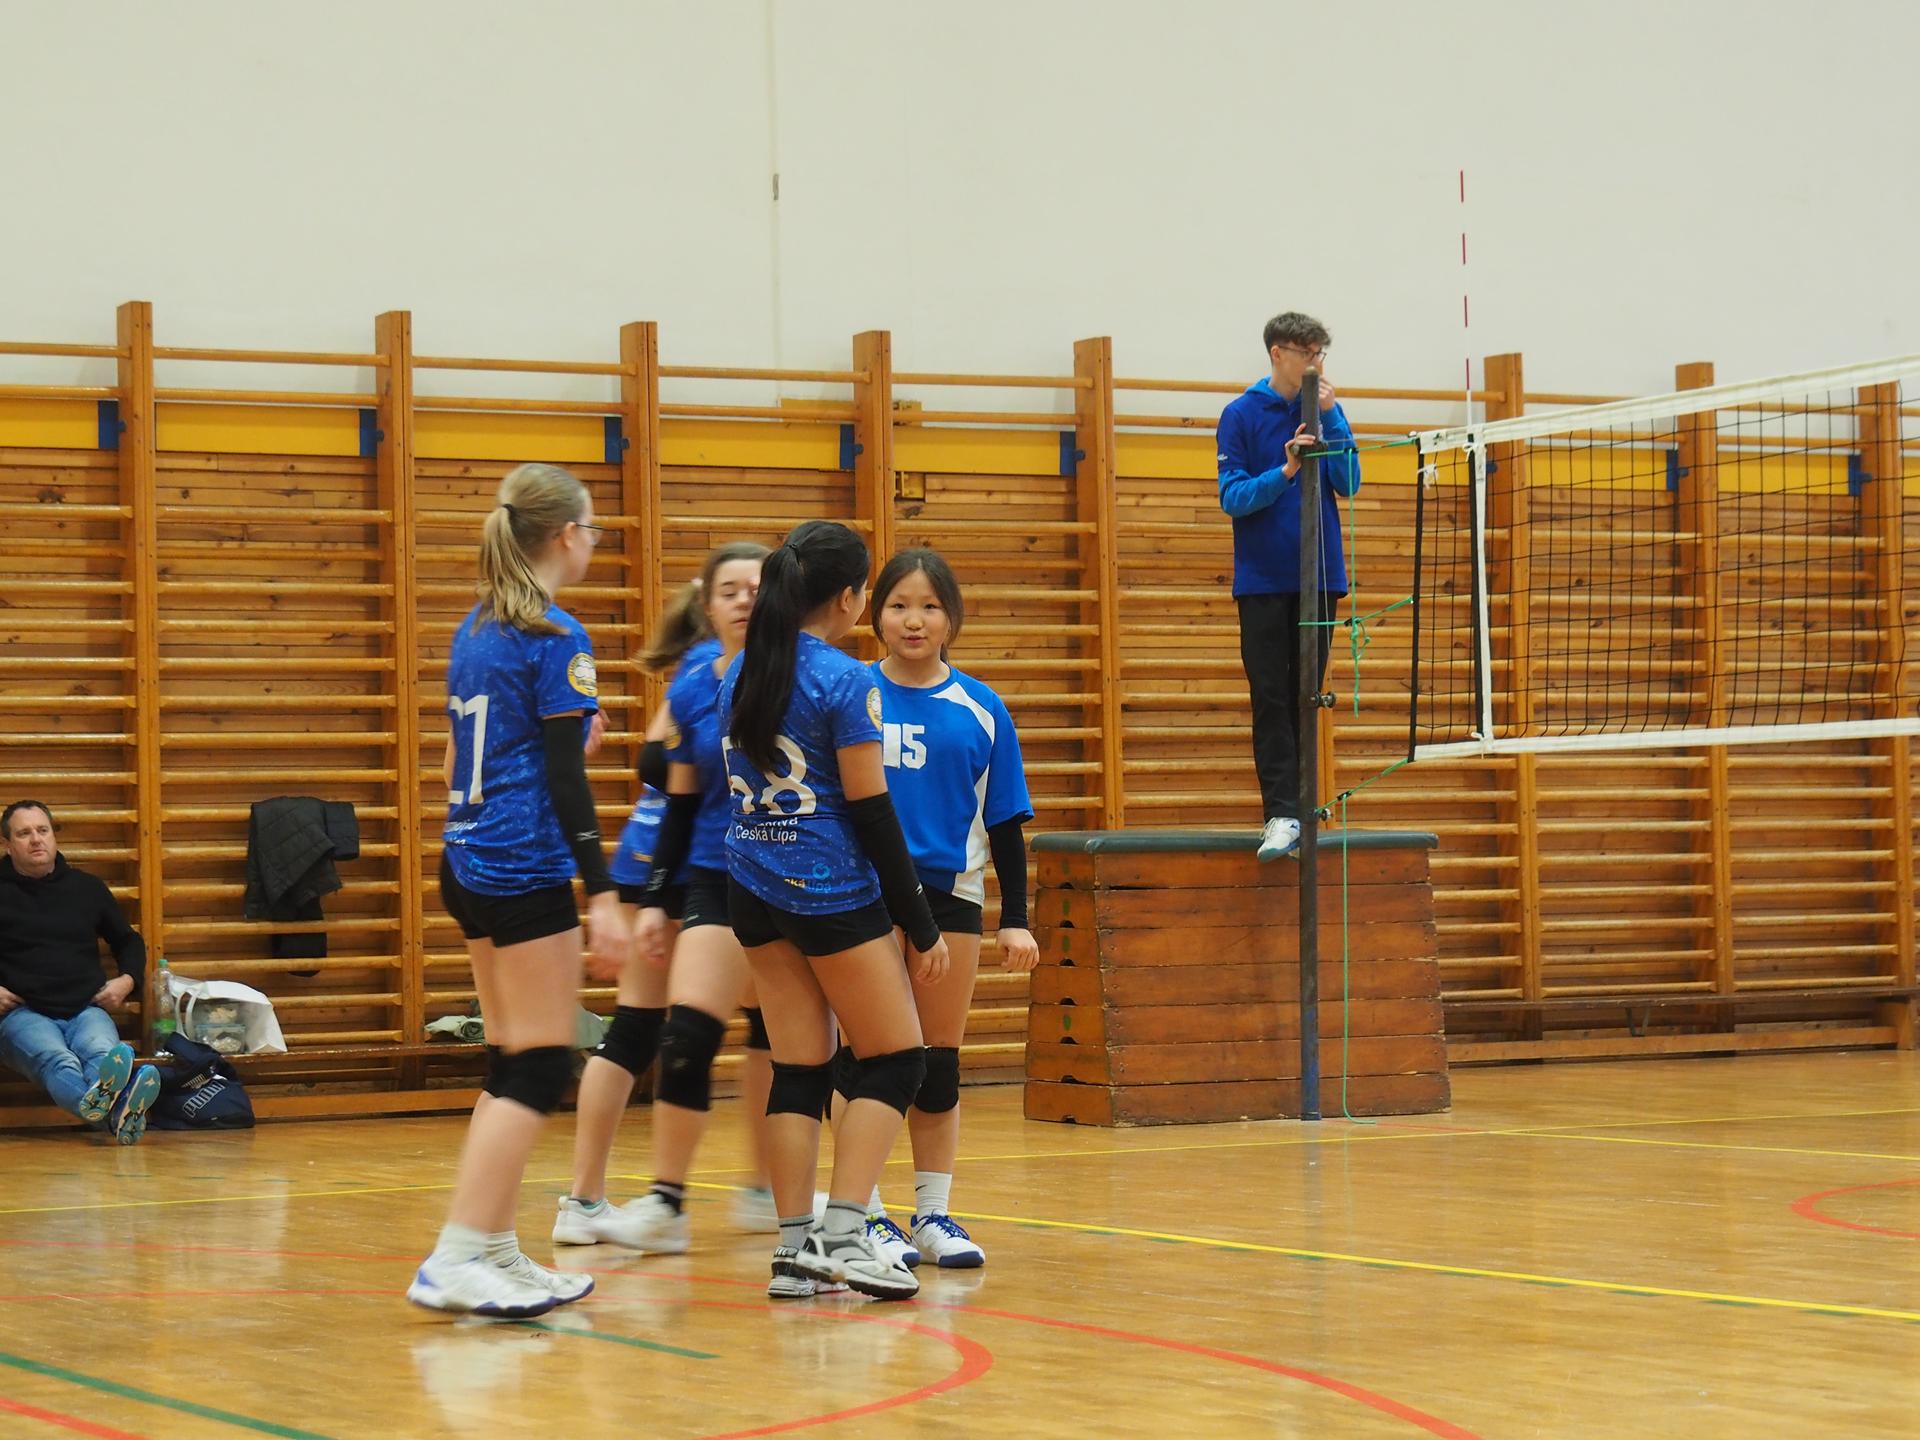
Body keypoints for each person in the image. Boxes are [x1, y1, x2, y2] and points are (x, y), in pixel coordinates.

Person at [406, 462, 630, 1320]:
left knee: (509, 1061)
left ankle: (493, 1247)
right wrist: (601, 890)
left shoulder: (478, 627)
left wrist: (561, 746)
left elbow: (472, 759)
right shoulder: (555, 633)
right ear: (567, 535)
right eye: (593, 529)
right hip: (521, 867)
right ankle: (457, 1254)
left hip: (465, 858)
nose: (594, 542)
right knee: (537, 1066)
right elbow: (566, 783)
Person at [718, 519, 948, 1301]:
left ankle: (794, 1251)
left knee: (798, 1067)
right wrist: (920, 922)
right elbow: (872, 810)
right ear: (849, 598)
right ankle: (845, 1234)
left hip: (751, 886)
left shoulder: (740, 671)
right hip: (827, 891)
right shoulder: (846, 681)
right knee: (897, 1058)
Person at [554, 541, 784, 1253]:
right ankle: (625, 1197)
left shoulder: (776, 671)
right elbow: (663, 766)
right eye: (731, 590)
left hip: (701, 861)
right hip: (681, 862)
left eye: (755, 588)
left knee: (702, 1026)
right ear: (709, 604)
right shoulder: (703, 673)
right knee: (690, 1027)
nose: (745, 600)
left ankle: (748, 1189)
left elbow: (658, 758)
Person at [835, 548, 1038, 1270]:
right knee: (862, 1060)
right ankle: (864, 1214)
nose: (913, 620)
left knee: (937, 1062)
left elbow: (1006, 822)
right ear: (874, 614)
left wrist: (1016, 916)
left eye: (928, 606)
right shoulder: (850, 692)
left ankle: (932, 1212)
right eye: (898, 605)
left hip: (950, 895)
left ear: (951, 617)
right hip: (859, 896)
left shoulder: (981, 708)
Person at [1216, 311, 1363, 862]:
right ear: (1278, 354)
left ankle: (1303, 812)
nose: (1315, 364)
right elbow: (1232, 497)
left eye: (1321, 354)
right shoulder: (1241, 414)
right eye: (1307, 354)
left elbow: (1350, 481)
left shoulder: (1326, 411)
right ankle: (1280, 814)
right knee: (1270, 697)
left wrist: (1332, 417)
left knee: (1306, 697)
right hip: (1262, 580)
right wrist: (1285, 472)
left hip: (1319, 578)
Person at [0, 801, 161, 1144]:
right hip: (22, 1013)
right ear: (7, 844)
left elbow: (128, 941)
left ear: (53, 836)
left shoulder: (87, 887)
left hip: (86, 1007)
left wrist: (127, 980)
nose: (36, 839)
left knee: (103, 1058)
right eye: (24, 833)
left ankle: (110, 1115)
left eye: (42, 830)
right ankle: (117, 1113)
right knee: (57, 1061)